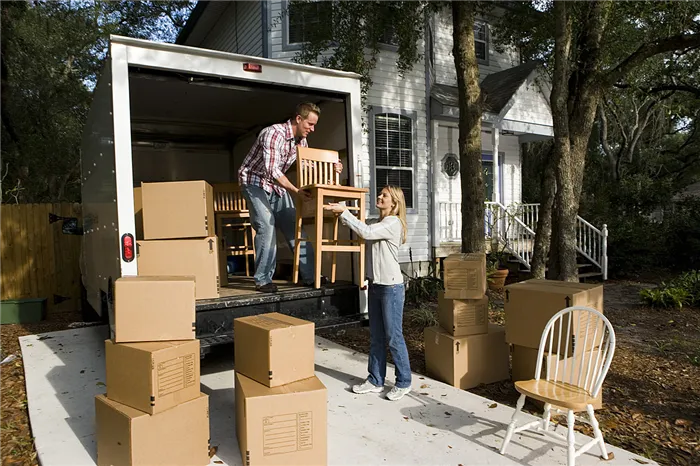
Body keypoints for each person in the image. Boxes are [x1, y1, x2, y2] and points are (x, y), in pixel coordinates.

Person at [238, 102, 342, 292]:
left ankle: (311, 276)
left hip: (275, 186)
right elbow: (272, 170)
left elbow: (308, 165)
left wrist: (333, 168)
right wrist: (296, 191)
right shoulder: (273, 133)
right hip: (253, 182)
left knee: (296, 228)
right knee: (266, 225)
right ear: (298, 119)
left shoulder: (301, 141)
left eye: (314, 125)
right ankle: (262, 280)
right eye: (309, 124)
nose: (312, 129)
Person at [324, 186, 412, 401]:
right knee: (376, 337)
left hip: (391, 288)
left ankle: (404, 382)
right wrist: (367, 275)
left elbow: (366, 232)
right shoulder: (378, 221)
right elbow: (367, 236)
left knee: (393, 337)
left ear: (394, 203)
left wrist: (344, 212)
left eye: (385, 196)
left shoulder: (393, 223)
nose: (379, 197)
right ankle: (375, 380)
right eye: (380, 194)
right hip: (376, 285)